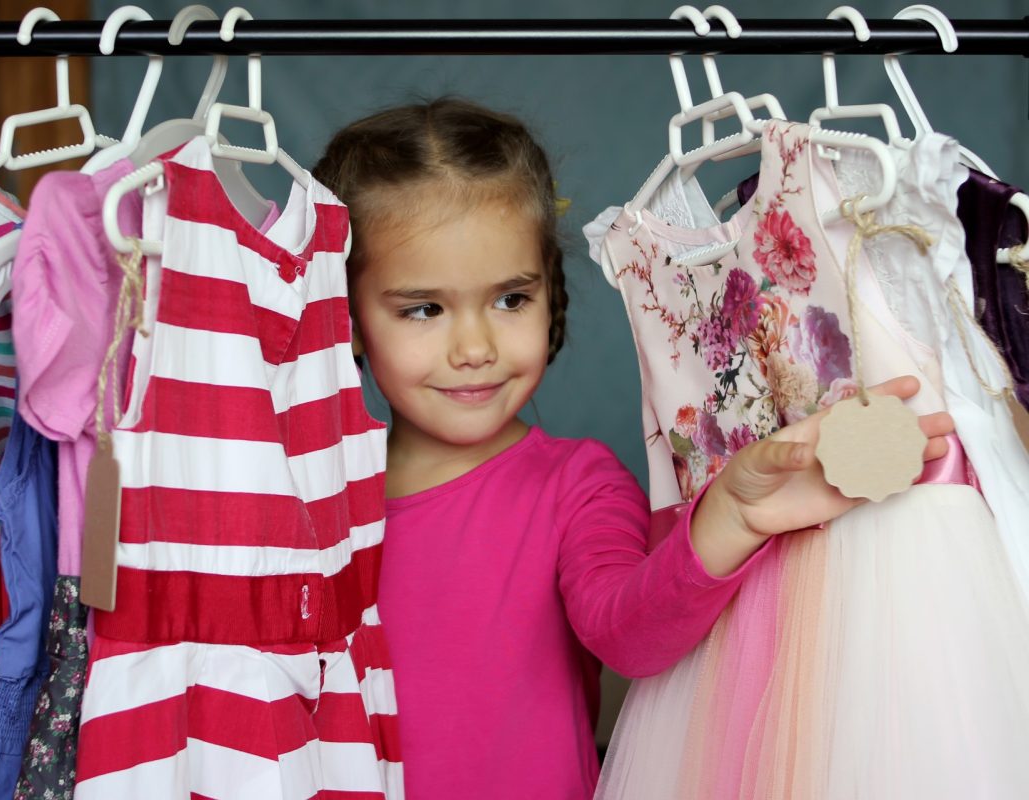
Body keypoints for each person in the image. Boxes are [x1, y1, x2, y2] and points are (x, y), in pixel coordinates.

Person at [311, 97, 955, 800]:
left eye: (510, 300)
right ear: (343, 313)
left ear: (551, 294)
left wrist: (731, 519)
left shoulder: (574, 483)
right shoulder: (306, 488)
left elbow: (631, 636)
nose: (474, 349)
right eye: (424, 309)